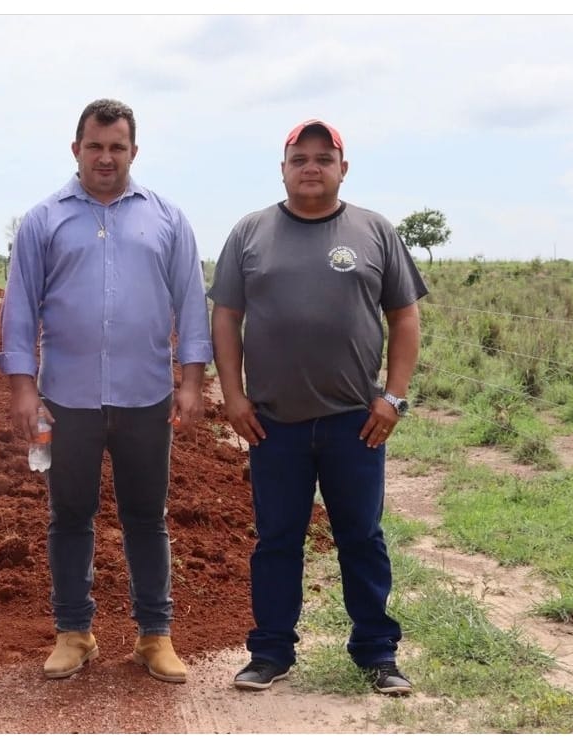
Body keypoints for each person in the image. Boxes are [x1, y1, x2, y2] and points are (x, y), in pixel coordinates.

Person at [0, 99, 213, 684]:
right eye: (95, 146)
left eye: (118, 147)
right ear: (76, 150)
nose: (106, 157)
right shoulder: (44, 220)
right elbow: (19, 309)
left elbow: (193, 304)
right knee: (70, 515)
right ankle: (74, 632)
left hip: (146, 396)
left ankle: (154, 635)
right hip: (67, 399)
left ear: (133, 152)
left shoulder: (167, 219)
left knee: (147, 517)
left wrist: (191, 381)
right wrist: (21, 388)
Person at [208, 119, 428, 696]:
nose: (311, 168)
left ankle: (377, 653)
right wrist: (232, 396)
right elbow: (226, 316)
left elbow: (404, 316)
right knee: (277, 539)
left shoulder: (374, 231)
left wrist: (393, 397)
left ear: (342, 169)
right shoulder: (250, 233)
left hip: (355, 422)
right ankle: (271, 652)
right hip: (272, 422)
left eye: (323, 159)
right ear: (283, 168)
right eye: (300, 158)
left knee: (361, 536)